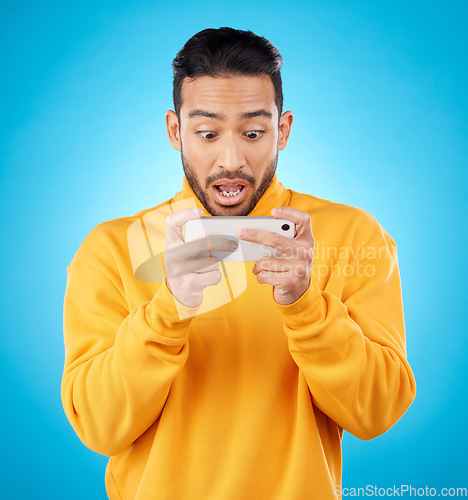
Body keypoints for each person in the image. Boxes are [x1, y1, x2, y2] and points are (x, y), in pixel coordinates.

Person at [61, 27, 416, 499]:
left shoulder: (353, 236)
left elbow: (376, 412)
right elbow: (99, 429)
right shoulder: (110, 249)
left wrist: (306, 306)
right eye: (207, 133)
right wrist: (168, 311)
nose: (231, 159)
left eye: (253, 132)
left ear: (282, 130)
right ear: (175, 131)